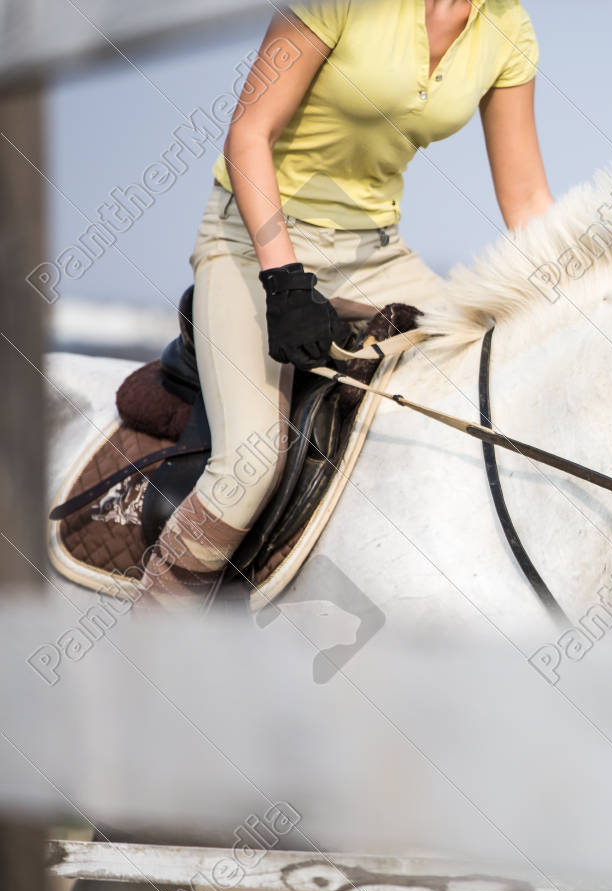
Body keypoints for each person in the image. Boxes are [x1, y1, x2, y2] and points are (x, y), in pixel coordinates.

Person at [141, 0, 552, 605]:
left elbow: (527, 198)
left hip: (378, 255)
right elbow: (249, 133)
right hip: (254, 240)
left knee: (482, 386)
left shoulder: (507, 26)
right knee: (249, 467)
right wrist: (283, 280)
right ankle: (150, 634)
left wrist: (575, 300)